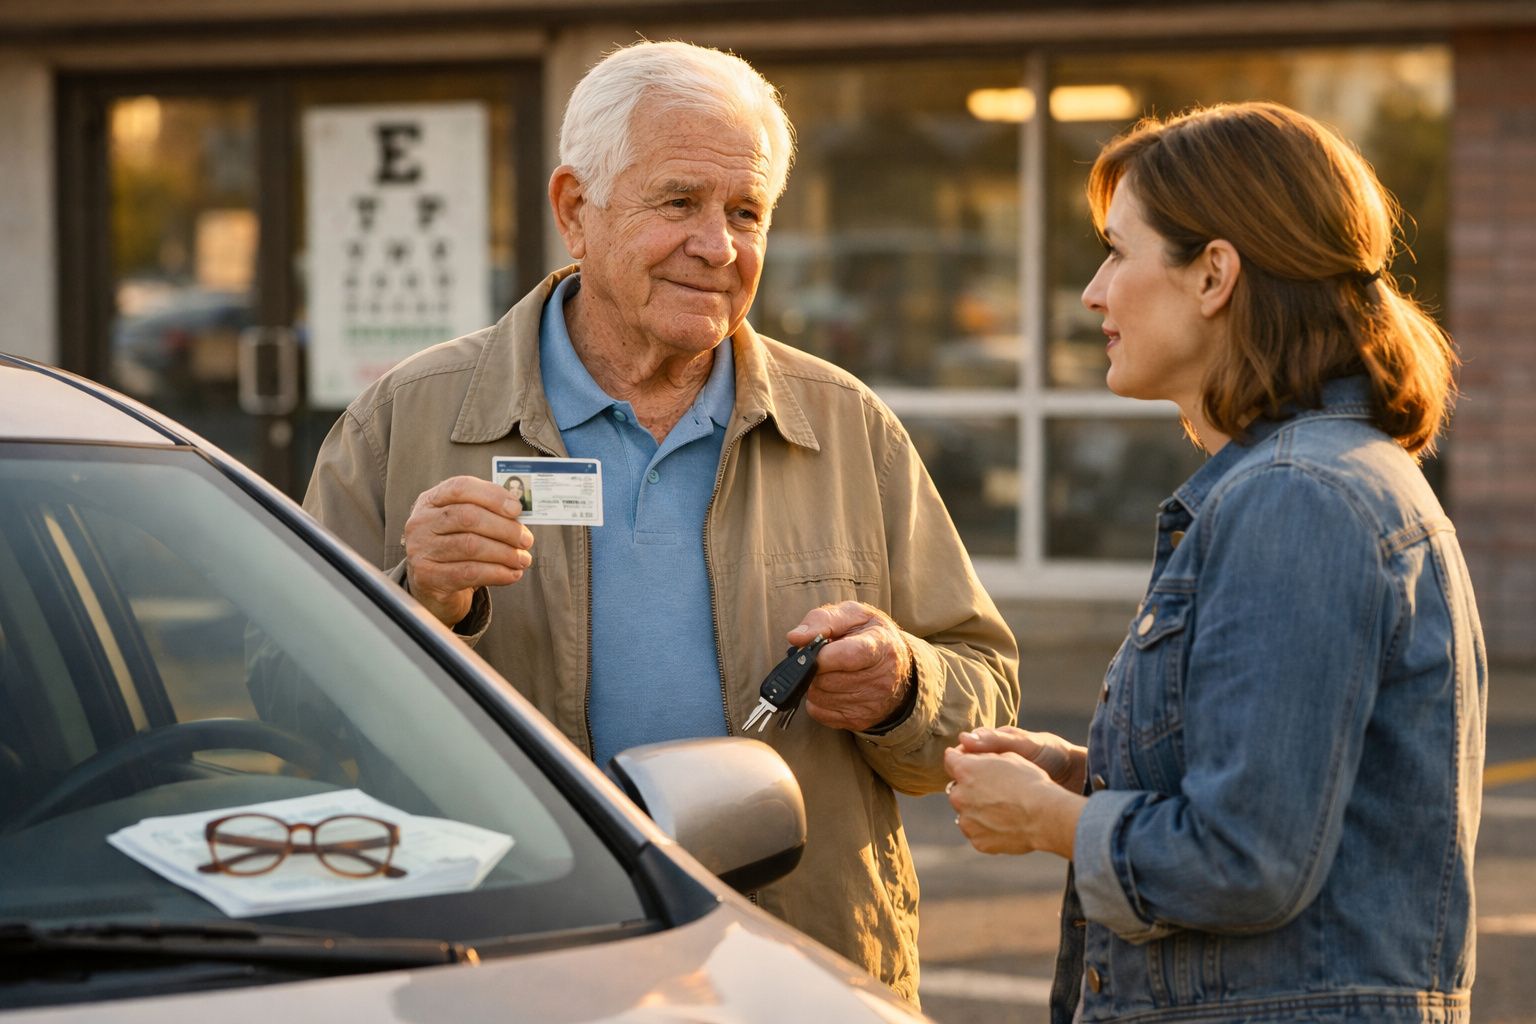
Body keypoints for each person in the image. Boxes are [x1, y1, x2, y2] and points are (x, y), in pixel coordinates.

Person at [303, 39, 1019, 1003]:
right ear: (574, 210)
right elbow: (291, 714)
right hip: (506, 973)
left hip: (797, 979)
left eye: (746, 213)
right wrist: (417, 600)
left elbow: (985, 706)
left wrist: (903, 687)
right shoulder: (405, 422)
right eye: (679, 202)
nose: (717, 246)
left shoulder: (847, 427)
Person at [944, 102, 1485, 1023]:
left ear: (1214, 275)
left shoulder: (1298, 497)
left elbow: (1248, 858)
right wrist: (1083, 776)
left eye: (1118, 252)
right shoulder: (1313, 480)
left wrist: (1051, 821)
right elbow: (1290, 784)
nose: (1093, 293)